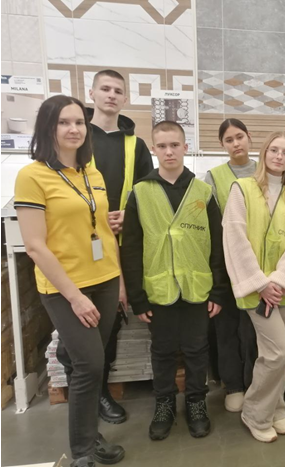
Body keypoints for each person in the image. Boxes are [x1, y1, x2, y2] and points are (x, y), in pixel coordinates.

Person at [14, 95, 125, 467]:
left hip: (104, 277)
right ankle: (82, 453)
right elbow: (35, 245)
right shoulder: (32, 176)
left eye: (79, 122)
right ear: (48, 127)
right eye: (64, 122)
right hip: (64, 287)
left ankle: (90, 437)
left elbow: (99, 228)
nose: (73, 129)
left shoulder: (92, 173)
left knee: (91, 363)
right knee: (90, 365)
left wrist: (119, 279)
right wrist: (75, 297)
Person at [56, 69, 154, 424]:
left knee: (110, 318)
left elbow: (148, 191)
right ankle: (82, 387)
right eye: (105, 89)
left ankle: (98, 392)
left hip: (121, 245)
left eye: (117, 91)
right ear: (92, 94)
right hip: (81, 247)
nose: (111, 95)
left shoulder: (135, 145)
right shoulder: (76, 140)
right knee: (80, 318)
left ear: (125, 99)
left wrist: (129, 215)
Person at [121, 121, 228, 440]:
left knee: (197, 349)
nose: (169, 151)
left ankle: (196, 402)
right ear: (154, 149)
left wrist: (218, 291)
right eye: (162, 146)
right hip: (159, 289)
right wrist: (137, 296)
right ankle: (164, 404)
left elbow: (218, 244)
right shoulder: (140, 193)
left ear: (185, 147)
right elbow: (131, 247)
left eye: (175, 145)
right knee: (163, 351)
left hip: (197, 288)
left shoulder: (203, 192)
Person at [222, 131, 285, 443]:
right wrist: (260, 283)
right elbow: (235, 238)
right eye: (274, 150)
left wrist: (278, 281)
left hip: (282, 288)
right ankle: (256, 413)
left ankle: (276, 410)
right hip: (257, 290)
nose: (279, 157)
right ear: (264, 153)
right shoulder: (241, 189)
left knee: (276, 354)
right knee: (279, 353)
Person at [203, 118, 258, 412]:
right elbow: (210, 225)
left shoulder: (265, 170)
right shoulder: (213, 177)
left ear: (249, 137)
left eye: (240, 137)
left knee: (254, 329)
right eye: (229, 140)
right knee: (226, 328)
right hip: (226, 266)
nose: (236, 143)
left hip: (258, 264)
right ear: (222, 145)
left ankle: (255, 385)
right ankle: (233, 386)